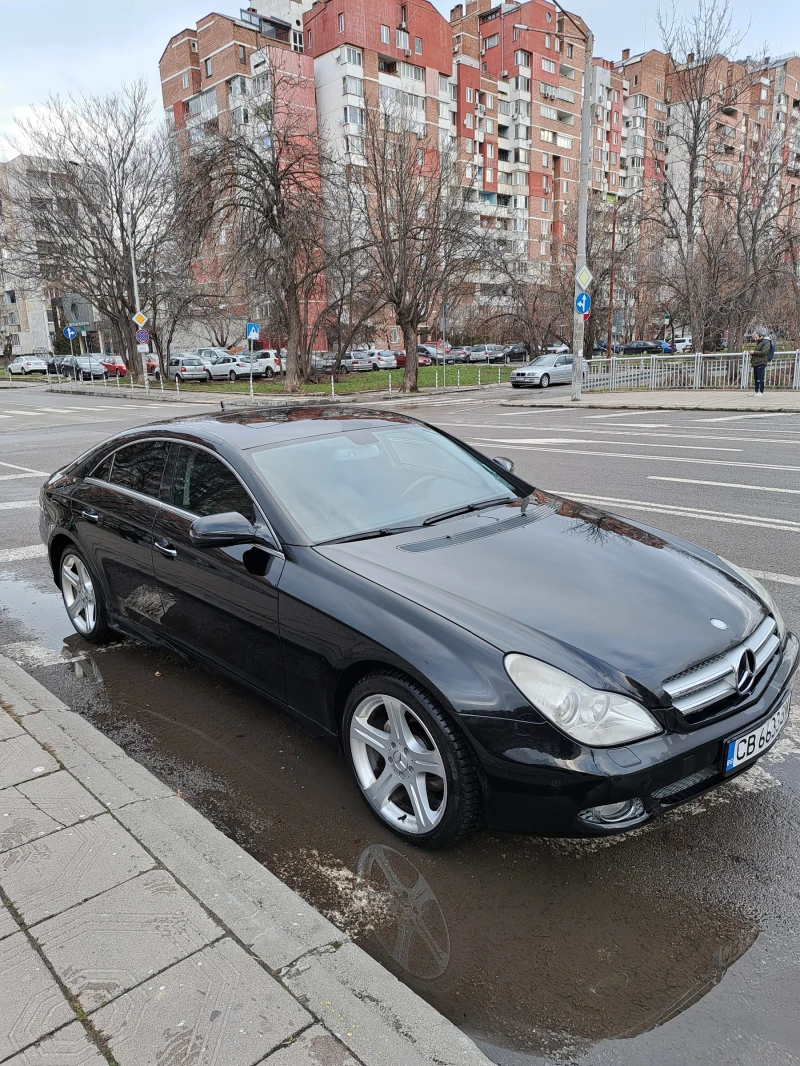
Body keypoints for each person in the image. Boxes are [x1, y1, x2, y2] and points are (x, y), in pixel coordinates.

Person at [748, 330, 771, 396]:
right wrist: (752, 353)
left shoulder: (766, 342)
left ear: (761, 336)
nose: (755, 339)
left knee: (760, 378)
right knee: (756, 378)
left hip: (761, 362)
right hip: (756, 362)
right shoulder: (759, 342)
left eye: (756, 337)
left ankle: (761, 392)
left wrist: (754, 352)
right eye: (754, 337)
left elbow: (764, 352)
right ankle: (756, 391)